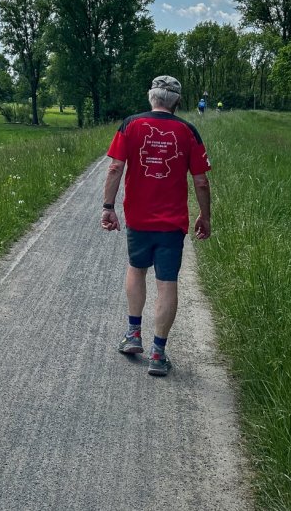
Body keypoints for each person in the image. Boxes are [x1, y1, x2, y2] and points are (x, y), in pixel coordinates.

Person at [100, 76, 211, 376]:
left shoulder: (130, 124)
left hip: (138, 218)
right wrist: (205, 216)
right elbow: (200, 180)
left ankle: (133, 335)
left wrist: (108, 207)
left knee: (136, 269)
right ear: (176, 101)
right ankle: (158, 354)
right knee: (167, 282)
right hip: (172, 224)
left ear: (152, 97)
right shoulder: (188, 131)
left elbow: (114, 167)